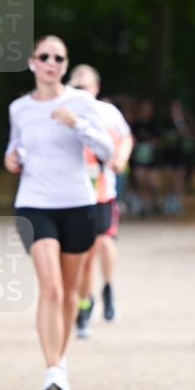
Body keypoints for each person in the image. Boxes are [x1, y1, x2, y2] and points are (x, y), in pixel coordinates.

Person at [4, 35, 114, 390]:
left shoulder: (80, 102)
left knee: (68, 293)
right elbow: (14, 147)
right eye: (44, 56)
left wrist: (75, 124)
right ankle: (51, 368)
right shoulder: (19, 107)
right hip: (34, 203)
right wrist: (11, 158)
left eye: (58, 58)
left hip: (78, 203)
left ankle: (61, 361)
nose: (51, 62)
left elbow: (106, 148)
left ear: (65, 66)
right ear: (32, 61)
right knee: (49, 287)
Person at [68, 65, 133, 335]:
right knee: (83, 254)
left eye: (87, 87)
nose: (83, 91)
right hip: (73, 194)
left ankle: (107, 287)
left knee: (104, 244)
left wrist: (120, 158)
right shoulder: (63, 113)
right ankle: (85, 302)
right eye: (77, 87)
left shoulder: (108, 113)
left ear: (96, 88)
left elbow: (127, 137)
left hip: (103, 192)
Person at [129, 99, 163, 216]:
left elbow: (159, 139)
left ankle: (155, 202)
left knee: (153, 183)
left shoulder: (154, 123)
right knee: (140, 180)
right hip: (138, 157)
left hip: (151, 157)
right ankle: (145, 205)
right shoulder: (135, 123)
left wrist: (152, 142)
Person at [162, 99, 195, 215]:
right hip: (169, 153)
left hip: (181, 153)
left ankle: (178, 202)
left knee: (179, 178)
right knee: (169, 178)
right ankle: (170, 199)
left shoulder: (187, 121)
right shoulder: (166, 122)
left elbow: (191, 136)